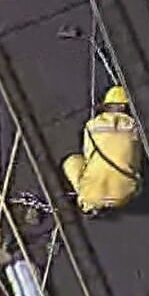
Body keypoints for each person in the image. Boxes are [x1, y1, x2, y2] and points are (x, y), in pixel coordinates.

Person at [61, 86, 142, 215]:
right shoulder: (135, 129)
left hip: (93, 193)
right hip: (122, 194)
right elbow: (136, 162)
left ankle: (87, 204)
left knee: (71, 161)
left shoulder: (92, 126)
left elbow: (88, 155)